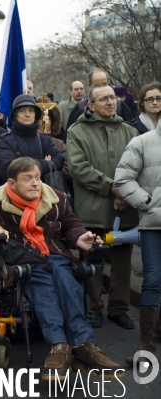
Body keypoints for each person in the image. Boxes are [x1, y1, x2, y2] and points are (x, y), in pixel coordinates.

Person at [0, 157, 124, 380]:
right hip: (21, 258)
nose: (35, 183)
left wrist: (81, 237)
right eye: (28, 178)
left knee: (67, 281)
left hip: (52, 252)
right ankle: (58, 345)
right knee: (43, 285)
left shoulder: (57, 199)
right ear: (12, 183)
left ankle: (85, 344)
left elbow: (71, 224)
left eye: (37, 177)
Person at [67, 84, 139, 330]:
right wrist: (112, 188)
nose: (110, 102)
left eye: (112, 98)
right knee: (94, 262)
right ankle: (94, 308)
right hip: (93, 209)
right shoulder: (77, 131)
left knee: (121, 262)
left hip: (125, 208)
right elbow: (79, 168)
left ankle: (119, 309)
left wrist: (124, 191)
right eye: (103, 99)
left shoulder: (129, 131)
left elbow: (139, 165)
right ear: (90, 105)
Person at [115, 123, 161, 366]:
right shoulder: (142, 141)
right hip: (154, 224)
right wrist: (148, 201)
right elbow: (123, 178)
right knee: (153, 280)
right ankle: (147, 347)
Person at [0, 94, 64, 182]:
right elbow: (6, 169)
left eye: (31, 111)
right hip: (15, 192)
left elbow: (59, 161)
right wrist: (46, 164)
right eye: (22, 111)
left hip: (42, 191)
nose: (27, 115)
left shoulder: (44, 139)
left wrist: (19, 164)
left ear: (35, 115)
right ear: (15, 115)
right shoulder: (5, 140)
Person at [66, 69, 133, 128]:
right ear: (89, 85)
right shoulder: (80, 107)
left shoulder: (120, 106)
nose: (102, 88)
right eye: (97, 85)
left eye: (104, 84)